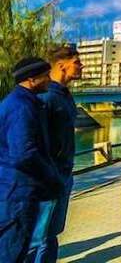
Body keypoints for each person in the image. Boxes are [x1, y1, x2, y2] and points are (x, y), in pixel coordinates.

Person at [0, 58, 63, 263]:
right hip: (17, 193)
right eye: (45, 75)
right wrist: (51, 176)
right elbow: (23, 153)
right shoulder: (21, 107)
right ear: (31, 78)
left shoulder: (22, 103)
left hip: (14, 190)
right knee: (13, 251)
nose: (49, 79)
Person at [27, 45, 83, 263]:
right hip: (49, 177)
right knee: (40, 238)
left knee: (50, 235)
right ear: (61, 65)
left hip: (62, 174)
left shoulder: (63, 95)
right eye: (77, 62)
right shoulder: (47, 97)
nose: (81, 66)